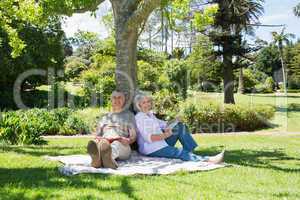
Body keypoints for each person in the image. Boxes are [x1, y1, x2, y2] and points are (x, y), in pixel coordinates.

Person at [134, 93, 224, 163]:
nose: (147, 104)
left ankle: (190, 153)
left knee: (180, 127)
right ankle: (208, 160)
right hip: (152, 148)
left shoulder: (150, 115)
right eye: (144, 102)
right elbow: (150, 138)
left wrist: (175, 120)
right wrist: (165, 135)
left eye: (148, 102)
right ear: (139, 105)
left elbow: (164, 124)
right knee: (179, 152)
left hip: (161, 142)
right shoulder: (140, 117)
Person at [87, 91, 137, 169]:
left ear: (124, 100)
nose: (117, 100)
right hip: (105, 140)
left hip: (122, 145)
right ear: (111, 100)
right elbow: (96, 135)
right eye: (114, 98)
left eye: (120, 97)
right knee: (106, 137)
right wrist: (97, 139)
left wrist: (129, 140)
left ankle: (101, 159)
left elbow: (133, 136)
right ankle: (106, 159)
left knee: (115, 143)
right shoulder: (104, 117)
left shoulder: (129, 115)